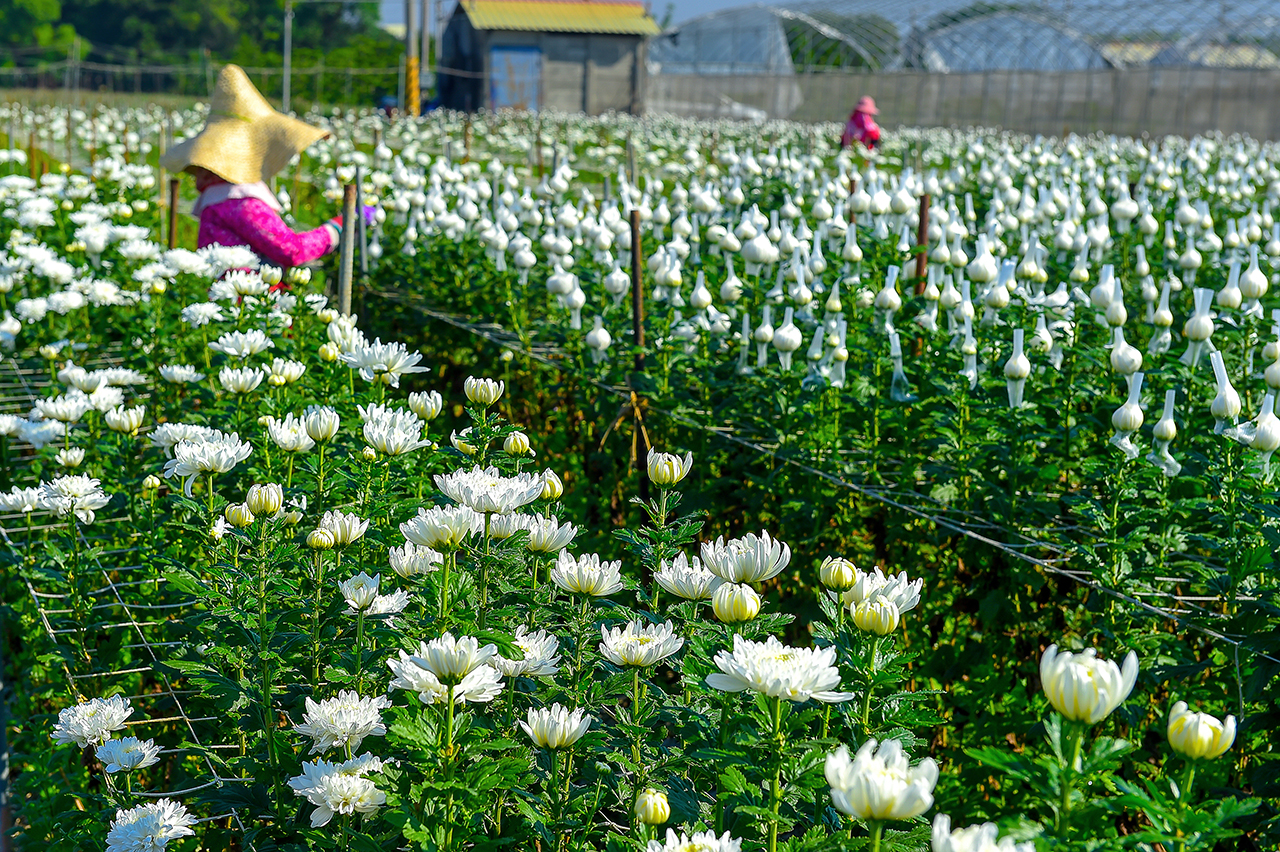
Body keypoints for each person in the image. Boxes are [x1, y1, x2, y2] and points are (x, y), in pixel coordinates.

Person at [161, 64, 344, 269]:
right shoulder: (240, 202)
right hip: (247, 296)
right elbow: (291, 250)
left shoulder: (216, 198)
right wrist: (335, 229)